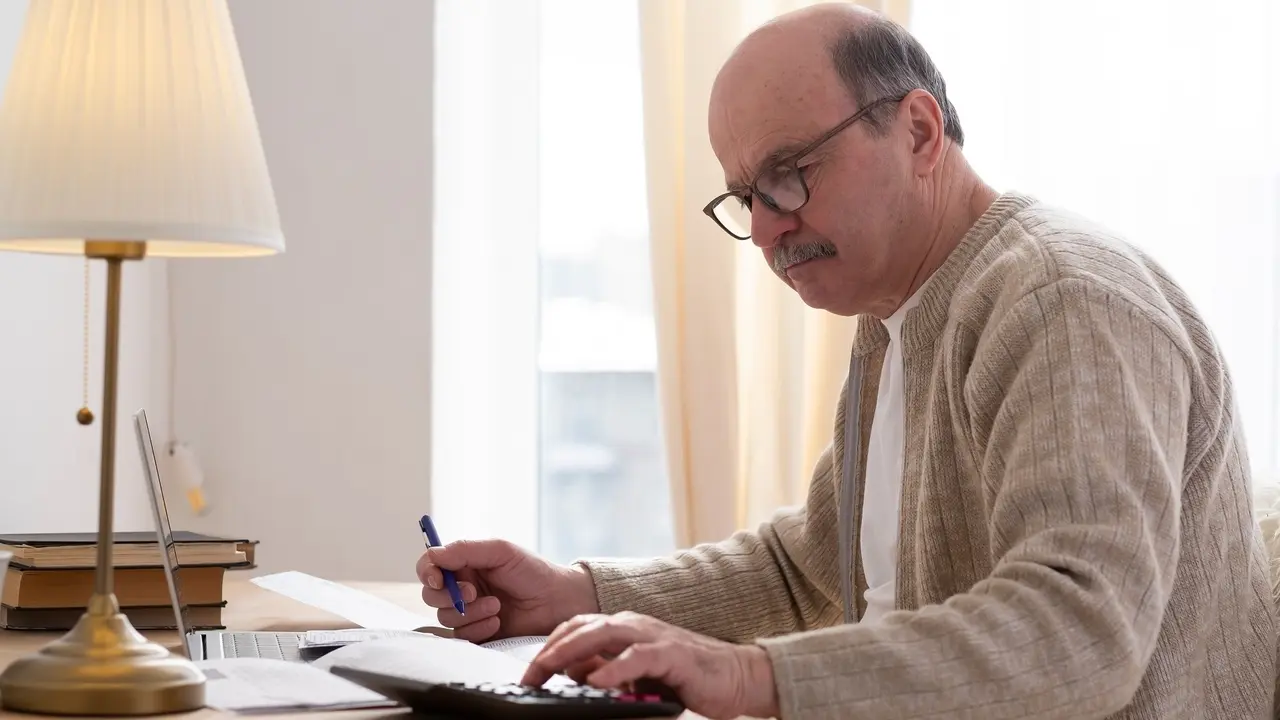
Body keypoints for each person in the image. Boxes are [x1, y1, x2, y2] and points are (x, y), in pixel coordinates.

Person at [418, 3, 1278, 718]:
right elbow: (808, 570)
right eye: (748, 194)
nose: (766, 226)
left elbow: (1081, 632)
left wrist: (754, 676)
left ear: (918, 130)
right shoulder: (900, 316)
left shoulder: (1062, 301)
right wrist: (578, 594)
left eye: (790, 174)